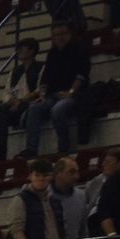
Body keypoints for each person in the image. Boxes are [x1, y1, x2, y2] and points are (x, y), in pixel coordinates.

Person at [23, 22, 89, 158]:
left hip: (74, 95)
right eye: (56, 35)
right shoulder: (52, 54)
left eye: (63, 34)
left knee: (57, 110)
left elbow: (81, 77)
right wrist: (41, 95)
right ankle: (31, 149)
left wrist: (70, 93)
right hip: (53, 95)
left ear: (70, 34)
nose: (60, 38)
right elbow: (45, 80)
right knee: (34, 108)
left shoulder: (79, 51)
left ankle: (63, 148)